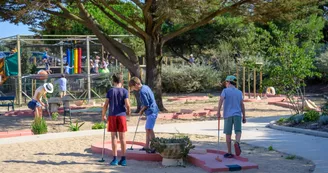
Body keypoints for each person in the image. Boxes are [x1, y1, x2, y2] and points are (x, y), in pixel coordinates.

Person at [102, 73, 131, 166]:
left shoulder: (110, 91)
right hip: (121, 115)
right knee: (123, 138)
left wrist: (103, 115)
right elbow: (128, 104)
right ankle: (123, 159)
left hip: (112, 115)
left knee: (113, 137)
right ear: (122, 81)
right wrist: (128, 112)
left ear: (113, 81)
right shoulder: (125, 91)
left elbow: (106, 104)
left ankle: (114, 159)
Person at [217, 75, 246, 158]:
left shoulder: (225, 91)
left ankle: (229, 152)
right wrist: (244, 116)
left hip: (228, 115)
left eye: (226, 82)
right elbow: (242, 105)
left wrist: (218, 112)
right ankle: (237, 142)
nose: (225, 84)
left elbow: (221, 100)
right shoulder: (239, 92)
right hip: (237, 115)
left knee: (228, 134)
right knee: (238, 131)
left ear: (228, 82)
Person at [129, 77, 158, 153]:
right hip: (152, 110)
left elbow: (146, 104)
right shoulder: (145, 87)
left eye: (132, 87)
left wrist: (141, 111)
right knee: (148, 129)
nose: (133, 89)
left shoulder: (142, 91)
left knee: (149, 129)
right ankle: (147, 145)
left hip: (152, 111)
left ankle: (154, 145)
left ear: (136, 85)